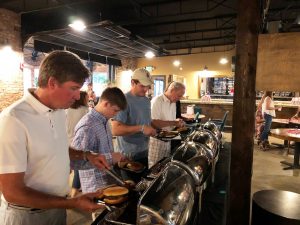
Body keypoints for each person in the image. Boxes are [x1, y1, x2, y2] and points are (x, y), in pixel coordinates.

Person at [0, 50, 109, 225]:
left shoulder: (59, 111)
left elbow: (57, 148)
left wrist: (86, 155)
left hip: (57, 209)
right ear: (52, 83)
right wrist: (71, 202)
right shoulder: (14, 119)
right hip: (27, 216)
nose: (77, 96)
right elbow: (12, 191)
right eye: (73, 88)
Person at [111, 68, 157, 168]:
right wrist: (141, 128)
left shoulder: (146, 100)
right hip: (128, 154)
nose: (145, 89)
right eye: (142, 86)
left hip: (144, 149)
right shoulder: (123, 100)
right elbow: (115, 130)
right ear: (133, 82)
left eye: (147, 86)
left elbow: (146, 122)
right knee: (130, 183)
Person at [148, 82, 185, 168]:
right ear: (172, 90)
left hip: (168, 138)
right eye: (179, 95)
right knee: (154, 167)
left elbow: (171, 121)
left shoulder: (173, 102)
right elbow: (153, 122)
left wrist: (178, 123)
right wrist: (174, 122)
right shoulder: (157, 101)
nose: (180, 98)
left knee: (164, 165)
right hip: (156, 140)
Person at [65, 91, 89, 198]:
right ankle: (74, 189)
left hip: (69, 142)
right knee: (79, 167)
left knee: (72, 167)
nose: (88, 99)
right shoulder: (85, 110)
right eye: (86, 97)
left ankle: (69, 188)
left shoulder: (67, 110)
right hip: (80, 142)